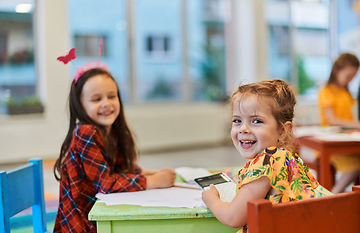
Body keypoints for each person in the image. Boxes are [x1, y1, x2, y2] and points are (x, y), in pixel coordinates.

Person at [53, 63, 176, 232]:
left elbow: (118, 169)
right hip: (82, 224)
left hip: (102, 215)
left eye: (112, 96)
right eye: (97, 99)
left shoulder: (111, 131)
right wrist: (152, 181)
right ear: (80, 106)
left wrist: (147, 173)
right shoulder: (85, 132)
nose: (106, 104)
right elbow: (107, 184)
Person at [201, 79, 331, 233]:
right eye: (237, 120)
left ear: (283, 130)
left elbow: (233, 218)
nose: (243, 128)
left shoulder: (267, 161)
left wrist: (210, 198)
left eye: (256, 121)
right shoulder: (284, 156)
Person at [318, 53, 360, 194]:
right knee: (357, 164)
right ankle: (333, 195)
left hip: (346, 140)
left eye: (353, 77)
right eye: (348, 76)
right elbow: (332, 120)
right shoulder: (326, 91)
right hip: (331, 145)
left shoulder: (345, 93)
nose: (350, 80)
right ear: (336, 71)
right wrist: (357, 124)